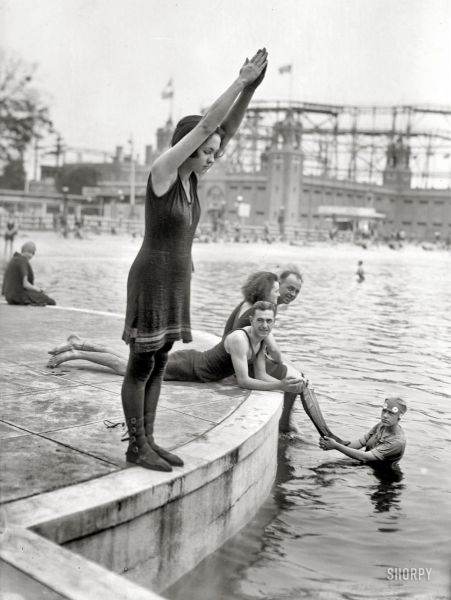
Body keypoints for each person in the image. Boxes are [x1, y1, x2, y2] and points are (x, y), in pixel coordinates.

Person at [120, 48, 269, 472]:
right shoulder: (165, 171)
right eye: (207, 152)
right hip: (152, 278)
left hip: (176, 280)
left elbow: (222, 131)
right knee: (141, 362)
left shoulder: (191, 180)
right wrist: (239, 80)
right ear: (188, 148)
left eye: (214, 153)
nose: (213, 157)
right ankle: (135, 445)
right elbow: (207, 125)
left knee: (161, 360)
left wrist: (249, 94)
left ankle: (149, 439)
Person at [319, 397, 407, 465]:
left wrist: (336, 446)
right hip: (367, 465)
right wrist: (334, 442)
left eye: (391, 413)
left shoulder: (397, 441)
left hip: (384, 476)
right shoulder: (381, 425)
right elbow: (361, 442)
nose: (385, 416)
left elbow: (365, 457)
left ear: (399, 416)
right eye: (384, 411)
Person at [1, 241, 56, 306]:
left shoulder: (13, 259)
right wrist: (39, 289)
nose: (31, 256)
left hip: (9, 297)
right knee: (51, 302)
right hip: (17, 297)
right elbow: (26, 284)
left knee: (37, 295)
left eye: (32, 253)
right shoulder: (23, 261)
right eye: (31, 253)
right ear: (27, 251)